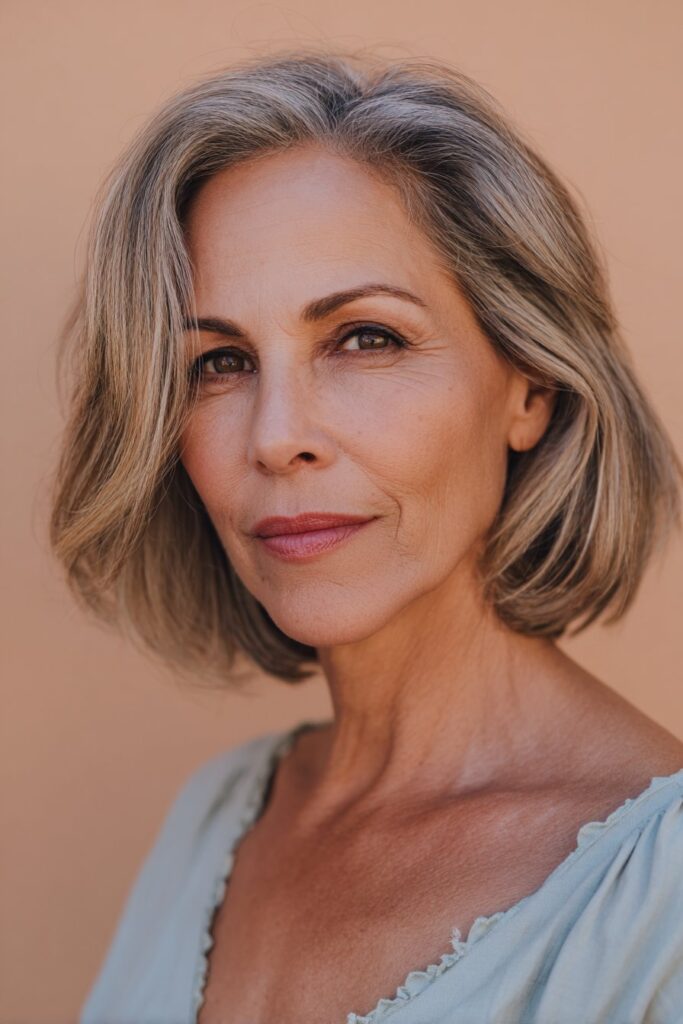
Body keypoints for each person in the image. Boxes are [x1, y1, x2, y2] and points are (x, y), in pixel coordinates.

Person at [49, 47, 683, 1024]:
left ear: (529, 382)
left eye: (364, 339)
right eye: (219, 361)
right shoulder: (216, 818)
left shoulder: (659, 898)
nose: (275, 438)